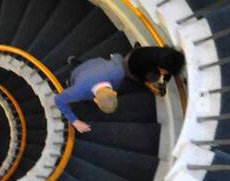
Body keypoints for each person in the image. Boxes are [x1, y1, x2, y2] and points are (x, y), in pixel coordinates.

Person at [55, 45, 185, 134]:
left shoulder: (119, 71)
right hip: (82, 72)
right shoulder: (117, 72)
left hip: (93, 67)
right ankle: (74, 63)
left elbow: (117, 56)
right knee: (76, 71)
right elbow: (117, 56)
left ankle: (74, 61)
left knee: (83, 66)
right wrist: (75, 121)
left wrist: (75, 121)